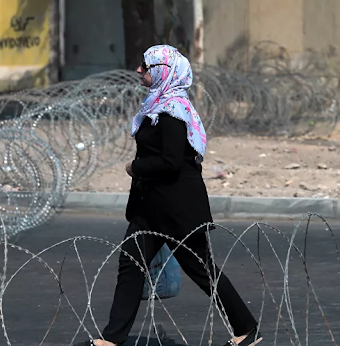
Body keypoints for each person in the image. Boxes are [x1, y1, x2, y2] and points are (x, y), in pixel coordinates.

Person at [77, 45, 262, 346]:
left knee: (203, 271)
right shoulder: (155, 105)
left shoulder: (172, 110)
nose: (139, 71)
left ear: (162, 71)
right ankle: (112, 338)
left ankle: (246, 328)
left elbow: (171, 161)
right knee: (130, 265)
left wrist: (134, 166)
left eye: (145, 66)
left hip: (178, 209)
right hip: (150, 208)